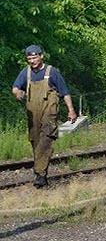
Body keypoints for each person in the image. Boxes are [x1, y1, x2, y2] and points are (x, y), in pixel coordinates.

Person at [11, 45, 77, 188]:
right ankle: (41, 174)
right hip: (33, 114)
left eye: (34, 57)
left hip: (49, 113)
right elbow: (15, 87)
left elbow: (65, 93)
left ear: (41, 56)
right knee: (35, 141)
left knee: (46, 140)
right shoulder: (26, 73)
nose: (32, 61)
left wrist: (71, 110)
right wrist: (17, 93)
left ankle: (40, 174)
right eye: (29, 58)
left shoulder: (52, 72)